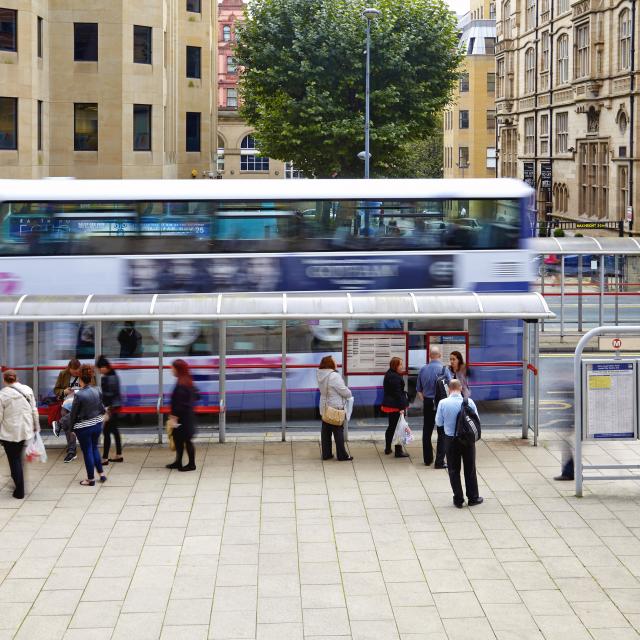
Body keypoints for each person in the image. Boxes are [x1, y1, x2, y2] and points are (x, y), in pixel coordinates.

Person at [435, 379, 483, 508]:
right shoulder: (469, 402)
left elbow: (439, 423)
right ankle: (473, 497)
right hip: (467, 440)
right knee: (470, 468)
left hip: (451, 440)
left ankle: (458, 499)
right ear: (460, 388)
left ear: (449, 389)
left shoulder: (443, 403)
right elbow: (477, 420)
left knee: (453, 470)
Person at [0, 370, 40, 499]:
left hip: (9, 432)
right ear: (17, 378)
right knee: (18, 458)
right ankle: (18, 483)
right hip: (25, 430)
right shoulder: (27, 390)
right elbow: (34, 410)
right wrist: (36, 427)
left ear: (4, 380)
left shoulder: (2, 395)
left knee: (14, 459)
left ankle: (19, 490)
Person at [69, 364, 106, 486]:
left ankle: (90, 479)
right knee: (94, 448)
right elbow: (102, 408)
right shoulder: (97, 390)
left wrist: (71, 429)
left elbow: (73, 414)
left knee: (87, 452)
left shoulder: (79, 395)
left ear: (80, 379)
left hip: (84, 427)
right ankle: (101, 474)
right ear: (90, 378)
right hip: (97, 424)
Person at [53, 358, 95, 463]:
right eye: (73, 372)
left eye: (77, 371)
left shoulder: (85, 373)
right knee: (65, 414)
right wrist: (64, 391)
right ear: (69, 369)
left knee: (67, 419)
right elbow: (56, 390)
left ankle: (71, 449)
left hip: (82, 402)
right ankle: (71, 450)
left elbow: (92, 387)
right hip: (68, 401)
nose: (76, 373)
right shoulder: (63, 374)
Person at [416, 347, 451, 468]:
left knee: (427, 430)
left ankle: (427, 459)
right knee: (442, 432)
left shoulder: (423, 369)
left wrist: (426, 400)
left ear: (430, 356)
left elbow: (419, 390)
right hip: (441, 403)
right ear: (439, 355)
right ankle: (439, 461)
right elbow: (450, 388)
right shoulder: (444, 369)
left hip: (427, 403)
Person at [317, 356, 353, 462]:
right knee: (338, 431)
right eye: (334, 361)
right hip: (335, 407)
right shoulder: (334, 376)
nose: (336, 362)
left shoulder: (320, 374)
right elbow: (343, 391)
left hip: (325, 406)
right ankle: (342, 455)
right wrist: (349, 393)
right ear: (330, 363)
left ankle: (326, 454)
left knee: (326, 431)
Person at [166, 359, 197, 472]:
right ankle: (178, 461)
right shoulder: (186, 380)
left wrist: (174, 417)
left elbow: (180, 404)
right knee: (178, 439)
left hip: (182, 419)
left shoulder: (182, 384)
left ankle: (191, 464)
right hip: (185, 417)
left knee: (186, 440)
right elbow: (196, 396)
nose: (171, 370)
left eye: (172, 368)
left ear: (178, 369)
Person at [96, 355, 123, 465]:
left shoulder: (107, 377)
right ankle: (119, 455)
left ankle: (105, 458)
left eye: (99, 368)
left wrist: (99, 394)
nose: (99, 371)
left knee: (106, 432)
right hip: (115, 407)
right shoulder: (114, 374)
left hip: (110, 408)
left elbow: (109, 395)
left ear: (104, 367)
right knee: (115, 431)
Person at [382, 357, 410, 458]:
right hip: (396, 406)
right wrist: (401, 408)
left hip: (391, 405)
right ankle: (398, 451)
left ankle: (388, 448)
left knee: (392, 427)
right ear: (395, 366)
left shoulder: (389, 374)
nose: (402, 366)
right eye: (400, 364)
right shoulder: (395, 377)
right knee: (399, 428)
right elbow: (397, 394)